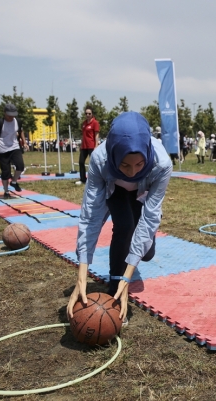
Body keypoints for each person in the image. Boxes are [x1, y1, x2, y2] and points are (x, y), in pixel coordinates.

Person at [67, 112, 172, 326]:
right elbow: (90, 217)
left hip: (143, 193)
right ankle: (114, 284)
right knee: (124, 226)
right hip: (114, 188)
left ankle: (135, 259)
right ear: (114, 156)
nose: (132, 172)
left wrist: (130, 274)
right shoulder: (99, 159)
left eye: (139, 165)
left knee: (146, 252)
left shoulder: (162, 164)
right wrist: (81, 275)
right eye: (125, 165)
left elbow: (149, 217)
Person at [0, 103, 28, 198]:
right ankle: (6, 191)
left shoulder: (18, 121)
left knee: (20, 166)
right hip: (2, 149)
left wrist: (24, 142)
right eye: (9, 115)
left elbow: (21, 131)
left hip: (14, 147)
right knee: (5, 172)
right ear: (4, 113)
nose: (11, 117)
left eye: (13, 115)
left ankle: (13, 182)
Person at [76, 108, 100, 185]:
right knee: (81, 162)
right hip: (84, 146)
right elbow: (83, 135)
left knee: (93, 163)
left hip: (91, 146)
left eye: (89, 113)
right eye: (86, 113)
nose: (87, 115)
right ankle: (83, 179)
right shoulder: (83, 123)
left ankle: (96, 179)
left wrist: (96, 145)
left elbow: (96, 135)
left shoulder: (95, 123)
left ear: (92, 114)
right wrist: (81, 145)